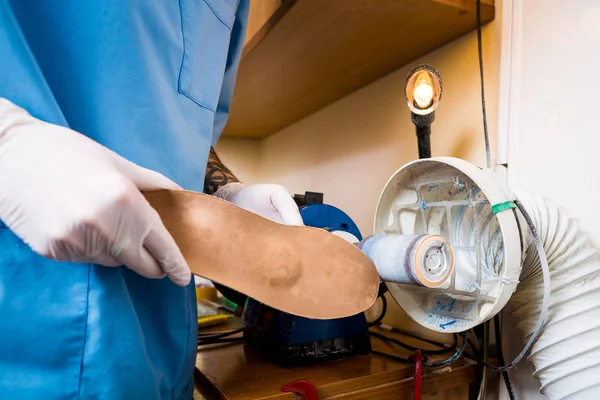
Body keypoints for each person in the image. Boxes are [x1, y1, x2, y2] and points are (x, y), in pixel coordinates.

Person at [0, 1, 303, 399]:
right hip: (26, 343)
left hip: (164, 353)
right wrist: (9, 144)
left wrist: (225, 192)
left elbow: (190, 134)